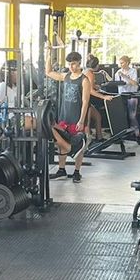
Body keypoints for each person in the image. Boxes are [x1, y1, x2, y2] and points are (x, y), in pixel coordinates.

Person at [44, 47, 92, 183]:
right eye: (70, 64)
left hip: (76, 117)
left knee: (79, 145)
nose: (71, 67)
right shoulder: (65, 76)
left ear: (79, 63)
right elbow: (48, 72)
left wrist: (81, 120)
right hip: (64, 116)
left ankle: (77, 172)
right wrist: (48, 54)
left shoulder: (84, 80)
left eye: (74, 64)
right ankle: (61, 170)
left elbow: (85, 102)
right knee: (62, 143)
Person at [114, 56, 140, 142]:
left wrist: (124, 76)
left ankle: (137, 134)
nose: (121, 65)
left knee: (132, 115)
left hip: (131, 95)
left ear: (127, 63)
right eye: (120, 63)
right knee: (122, 115)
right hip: (122, 95)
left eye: (122, 63)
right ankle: (123, 134)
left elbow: (135, 83)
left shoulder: (133, 71)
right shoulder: (118, 72)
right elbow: (116, 83)